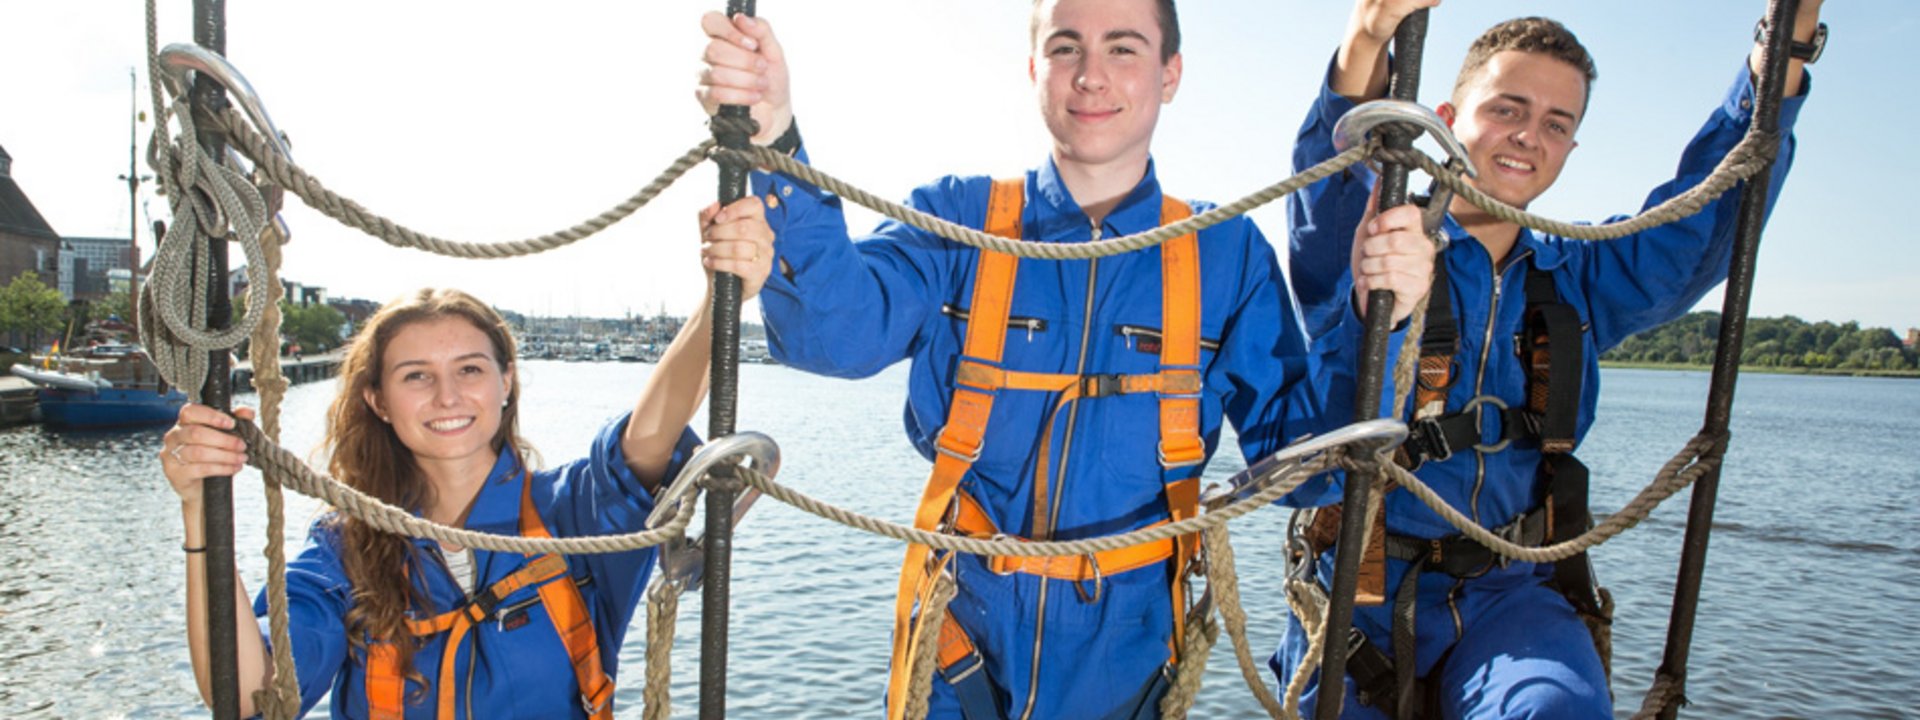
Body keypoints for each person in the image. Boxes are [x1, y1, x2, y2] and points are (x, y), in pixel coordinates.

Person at [696, 1, 1435, 718]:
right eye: (1064, 47)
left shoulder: (1226, 255)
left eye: (1123, 47)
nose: (1090, 74)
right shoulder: (959, 222)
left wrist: (1384, 318)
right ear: (1033, 68)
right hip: (959, 649)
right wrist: (776, 140)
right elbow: (840, 334)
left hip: (1132, 665)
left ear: (1170, 73)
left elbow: (1303, 466)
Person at [1278, 1, 1822, 717]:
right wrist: (1368, 37)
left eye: (1556, 125)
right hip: (1363, 585)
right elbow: (1333, 181)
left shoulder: (1583, 278)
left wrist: (1785, 43)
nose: (1529, 137)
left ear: (1571, 149)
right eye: (1508, 109)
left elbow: (1711, 215)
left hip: (1514, 594)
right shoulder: (1377, 242)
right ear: (1448, 115)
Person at [159, 198, 775, 718]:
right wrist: (199, 511)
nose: (448, 396)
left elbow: (653, 431)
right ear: (377, 400)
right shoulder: (344, 551)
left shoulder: (574, 517)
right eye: (416, 376)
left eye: (471, 370)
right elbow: (246, 696)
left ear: (507, 382)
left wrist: (722, 294)